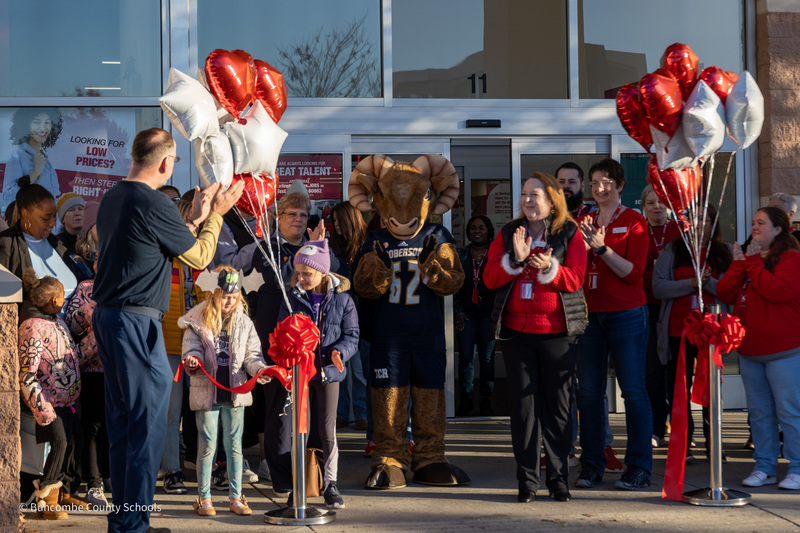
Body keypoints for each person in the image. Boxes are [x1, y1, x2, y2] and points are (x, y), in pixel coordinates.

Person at [91, 127, 242, 533]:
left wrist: (192, 220)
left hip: (111, 318)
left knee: (125, 427)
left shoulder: (115, 196)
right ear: (164, 163)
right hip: (136, 322)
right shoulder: (152, 201)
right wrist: (216, 216)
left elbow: (154, 245)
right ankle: (133, 525)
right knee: (146, 428)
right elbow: (198, 258)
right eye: (173, 161)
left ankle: (126, 521)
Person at [483, 172, 587, 503]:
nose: (528, 200)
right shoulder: (509, 232)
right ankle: (527, 481)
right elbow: (488, 278)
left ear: (552, 199)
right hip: (517, 336)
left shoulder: (569, 232)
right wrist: (515, 258)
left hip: (558, 335)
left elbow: (576, 279)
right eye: (524, 194)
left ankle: (558, 480)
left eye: (535, 195)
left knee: (558, 411)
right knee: (524, 412)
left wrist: (549, 268)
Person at [253, 181, 341, 497]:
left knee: (315, 412)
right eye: (292, 213)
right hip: (278, 343)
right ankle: (282, 478)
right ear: (278, 217)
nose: (299, 220)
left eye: (304, 214)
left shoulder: (316, 245)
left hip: (313, 347)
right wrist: (309, 252)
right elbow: (275, 275)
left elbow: (336, 275)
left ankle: (312, 476)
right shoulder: (268, 246)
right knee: (280, 408)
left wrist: (322, 250)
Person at [575, 158, 653, 491]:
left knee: (633, 391)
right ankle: (592, 463)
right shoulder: (584, 220)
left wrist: (602, 248)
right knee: (589, 393)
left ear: (620, 185)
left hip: (626, 314)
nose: (599, 188)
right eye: (593, 183)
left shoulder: (635, 221)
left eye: (606, 182)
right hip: (589, 316)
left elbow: (632, 273)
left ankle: (638, 467)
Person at [717, 206, 800, 490]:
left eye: (761, 223)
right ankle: (764, 466)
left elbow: (779, 292)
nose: (755, 227)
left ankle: (797, 468)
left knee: (789, 412)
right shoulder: (749, 259)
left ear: (778, 229)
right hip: (751, 352)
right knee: (760, 412)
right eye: (753, 222)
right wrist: (740, 265)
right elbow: (726, 292)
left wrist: (750, 263)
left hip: (785, 352)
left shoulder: (791, 259)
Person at [181, 266, 270, 517]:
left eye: (234, 296)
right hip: (206, 392)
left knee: (234, 447)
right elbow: (191, 349)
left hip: (235, 394)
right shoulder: (196, 320)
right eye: (225, 296)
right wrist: (192, 360)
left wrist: (260, 370)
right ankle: (204, 498)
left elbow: (253, 355)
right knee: (207, 445)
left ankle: (236, 497)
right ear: (213, 294)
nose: (229, 301)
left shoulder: (244, 321)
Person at [278, 238, 359, 509]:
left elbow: (352, 336)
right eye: (299, 273)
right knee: (300, 430)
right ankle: (299, 485)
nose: (301, 278)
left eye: (307, 273)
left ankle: (331, 484)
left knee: (327, 429)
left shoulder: (343, 300)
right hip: (300, 374)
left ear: (323, 272)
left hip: (327, 374)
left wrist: (339, 352)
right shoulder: (292, 298)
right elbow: (282, 331)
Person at [653, 205, 731, 462]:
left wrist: (708, 282)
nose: (698, 223)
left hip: (711, 335)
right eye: (693, 218)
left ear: (713, 223)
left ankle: (714, 447)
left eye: (704, 219)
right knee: (678, 392)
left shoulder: (724, 252)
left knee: (711, 392)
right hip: (677, 332)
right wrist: (690, 283)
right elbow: (659, 288)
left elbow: (730, 291)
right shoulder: (673, 250)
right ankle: (683, 445)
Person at [18, 268, 87, 519]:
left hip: (66, 400)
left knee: (73, 442)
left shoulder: (56, 322)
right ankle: (46, 499)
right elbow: (27, 374)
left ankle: (65, 492)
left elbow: (70, 355)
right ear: (54, 300)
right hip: (48, 402)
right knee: (60, 443)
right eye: (61, 296)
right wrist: (42, 409)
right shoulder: (32, 327)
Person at [160, 199, 203, 496]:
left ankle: (208, 466)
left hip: (201, 346)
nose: (193, 227)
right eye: (188, 221)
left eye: (196, 223)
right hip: (169, 344)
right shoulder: (164, 255)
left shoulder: (203, 257)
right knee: (171, 412)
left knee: (204, 411)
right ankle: (171, 470)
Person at [65, 241, 109, 508]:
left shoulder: (128, 287)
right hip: (93, 368)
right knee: (92, 426)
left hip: (122, 369)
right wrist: (88, 314)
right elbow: (71, 322)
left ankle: (111, 475)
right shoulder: (86, 288)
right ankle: (94, 484)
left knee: (115, 426)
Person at [640, 184, 681, 448]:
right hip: (646, 307)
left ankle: (680, 432)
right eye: (650, 202)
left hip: (674, 308)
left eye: (661, 201)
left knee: (674, 373)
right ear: (643, 206)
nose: (657, 207)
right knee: (652, 371)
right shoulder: (638, 230)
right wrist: (655, 279)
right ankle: (657, 428)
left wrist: (665, 280)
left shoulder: (680, 231)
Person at [0, 179, 78, 303]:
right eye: (46, 218)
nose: (53, 223)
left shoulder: (58, 244)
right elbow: (4, 298)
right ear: (26, 215)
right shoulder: (6, 244)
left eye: (54, 216)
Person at [329, 201, 369, 430]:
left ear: (349, 219)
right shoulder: (333, 245)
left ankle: (362, 413)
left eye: (338, 220)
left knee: (360, 368)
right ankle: (341, 413)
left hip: (360, 311)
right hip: (337, 310)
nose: (335, 225)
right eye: (333, 221)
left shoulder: (366, 243)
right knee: (338, 361)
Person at [454, 215, 498, 417]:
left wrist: (498, 314)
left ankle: (487, 402)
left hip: (489, 313)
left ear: (488, 231)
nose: (477, 231)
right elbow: (454, 286)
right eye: (473, 228)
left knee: (487, 359)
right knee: (465, 358)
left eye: (481, 227)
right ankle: (466, 402)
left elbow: (503, 286)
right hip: (468, 314)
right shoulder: (461, 254)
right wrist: (458, 312)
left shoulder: (497, 254)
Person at [2, 108, 63, 213]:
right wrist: (34, 173)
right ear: (26, 124)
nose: (43, 128)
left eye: (47, 122)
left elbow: (53, 200)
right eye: (37, 122)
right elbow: (7, 199)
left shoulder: (47, 162)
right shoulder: (17, 154)